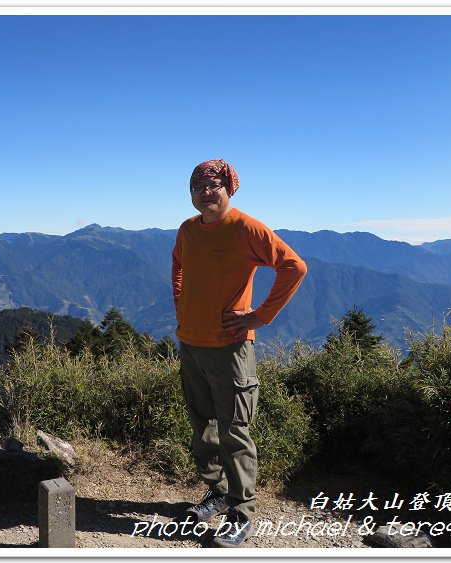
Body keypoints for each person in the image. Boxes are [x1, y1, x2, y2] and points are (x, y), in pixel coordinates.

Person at [171, 159, 307, 548]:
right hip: (191, 343)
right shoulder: (187, 230)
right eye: (197, 186)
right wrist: (180, 302)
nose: (205, 192)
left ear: (230, 189)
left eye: (213, 185)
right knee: (204, 429)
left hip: (231, 348)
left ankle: (241, 512)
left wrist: (260, 316)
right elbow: (178, 264)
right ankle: (217, 491)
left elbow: (294, 267)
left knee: (234, 431)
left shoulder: (247, 228)